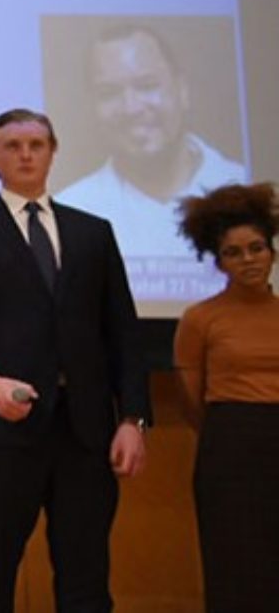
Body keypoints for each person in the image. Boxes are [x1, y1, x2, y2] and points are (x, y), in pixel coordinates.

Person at [0, 108, 151, 612]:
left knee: (86, 574)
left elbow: (123, 333)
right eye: (12, 145)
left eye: (36, 144)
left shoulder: (93, 232)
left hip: (86, 430)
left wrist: (132, 417)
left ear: (52, 152)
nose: (25, 154)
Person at [172, 182, 279, 612]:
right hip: (231, 445)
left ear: (271, 251)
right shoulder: (201, 318)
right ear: (219, 263)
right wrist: (231, 427)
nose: (248, 260)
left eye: (256, 248)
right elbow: (190, 396)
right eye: (234, 253)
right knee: (235, 563)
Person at [57, 24, 244, 257]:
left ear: (182, 89)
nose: (131, 108)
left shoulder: (241, 186)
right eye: (109, 93)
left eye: (147, 86)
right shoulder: (73, 208)